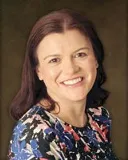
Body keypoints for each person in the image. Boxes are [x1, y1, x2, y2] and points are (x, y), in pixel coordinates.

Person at [8, 9, 118, 160]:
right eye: (54, 60)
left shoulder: (98, 118)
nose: (71, 69)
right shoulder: (36, 137)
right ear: (38, 71)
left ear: (96, 59)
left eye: (80, 54)